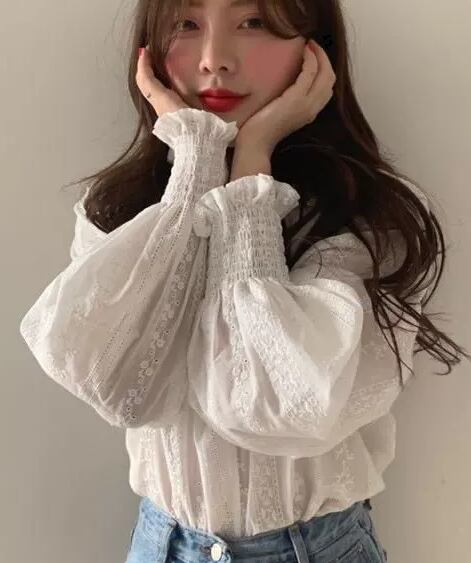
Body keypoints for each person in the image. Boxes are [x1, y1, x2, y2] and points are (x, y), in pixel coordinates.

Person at [19, 0, 470, 561]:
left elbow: (272, 405)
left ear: (315, 44)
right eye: (186, 24)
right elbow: (122, 389)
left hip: (314, 549)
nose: (215, 59)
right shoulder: (117, 210)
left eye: (253, 22)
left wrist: (252, 160)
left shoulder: (369, 219)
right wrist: (197, 158)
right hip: (161, 544)